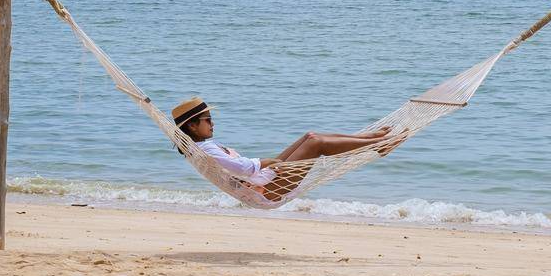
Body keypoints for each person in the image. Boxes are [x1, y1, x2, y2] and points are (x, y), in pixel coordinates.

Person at [169, 96, 402, 204]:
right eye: (208, 120)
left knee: (310, 136)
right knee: (316, 144)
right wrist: (267, 161)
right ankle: (378, 145)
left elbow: (244, 170)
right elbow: (244, 168)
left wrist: (269, 164)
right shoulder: (206, 149)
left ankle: (371, 138)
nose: (213, 123)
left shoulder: (199, 148)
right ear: (192, 125)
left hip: (266, 179)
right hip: (266, 190)